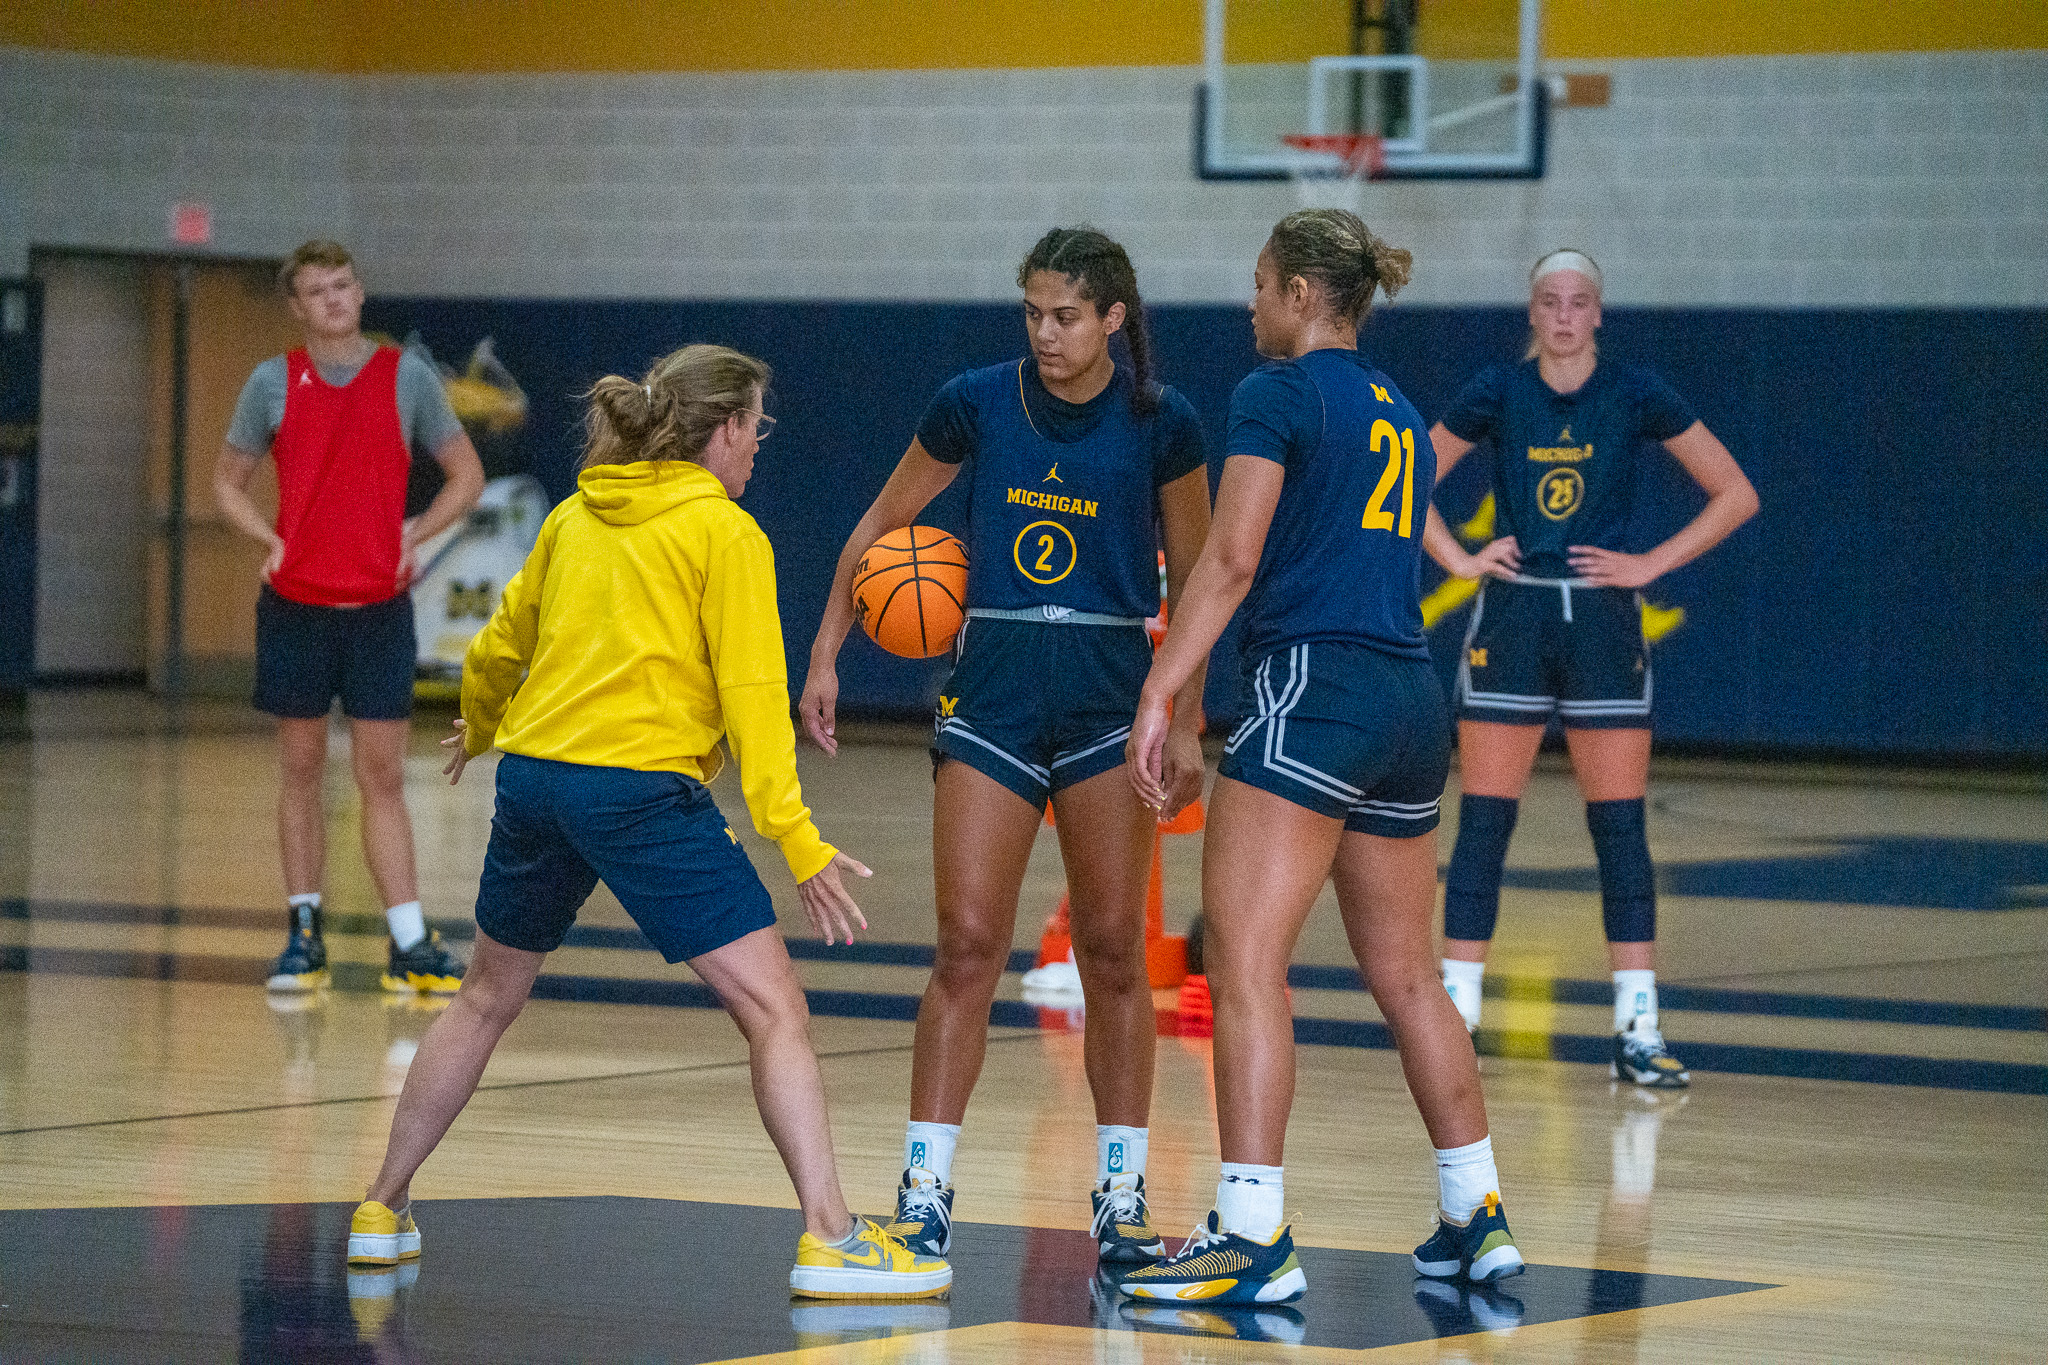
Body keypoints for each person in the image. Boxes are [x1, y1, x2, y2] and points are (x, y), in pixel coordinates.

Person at [344, 344, 949, 1300]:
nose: (761, 444)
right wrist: (797, 841)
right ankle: (832, 1234)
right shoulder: (726, 533)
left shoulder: (582, 511)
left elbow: (507, 636)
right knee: (774, 1007)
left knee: (483, 997)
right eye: (757, 425)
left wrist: (486, 722)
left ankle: (381, 1208)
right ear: (722, 432)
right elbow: (756, 702)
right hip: (636, 790)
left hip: (537, 778)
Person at [1118, 209, 1524, 1306]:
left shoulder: (1276, 393)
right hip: (1406, 702)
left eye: (1258, 285)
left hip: (1315, 688)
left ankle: (1249, 1235)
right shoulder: (1392, 404)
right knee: (1408, 977)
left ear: (1302, 292)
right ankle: (1474, 1215)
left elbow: (1231, 556)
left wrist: (1163, 690)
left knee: (1244, 966)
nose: (1249, 305)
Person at [799, 228, 1212, 1268]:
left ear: (1113, 318)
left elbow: (1206, 583)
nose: (1044, 332)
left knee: (1114, 952)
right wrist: (826, 650)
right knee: (966, 945)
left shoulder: (1163, 423)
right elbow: (879, 521)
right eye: (1030, 312)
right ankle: (925, 1194)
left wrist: (1188, 718)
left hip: (1110, 708)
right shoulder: (973, 400)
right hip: (989, 699)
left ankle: (1121, 1198)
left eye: (1064, 314)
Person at [1423, 249, 1758, 1088]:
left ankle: (1638, 1029)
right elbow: (1401, 475)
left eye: (1579, 302)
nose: (1565, 315)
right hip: (1515, 613)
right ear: (1531, 312)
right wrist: (1459, 559)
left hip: (1605, 623)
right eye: (1550, 301)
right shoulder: (1498, 390)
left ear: (1599, 313)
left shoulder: (1636, 392)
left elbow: (1735, 492)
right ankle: (1455, 1017)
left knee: (1620, 832)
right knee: (1484, 824)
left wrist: (1651, 563)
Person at [214, 239, 485, 995]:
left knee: (383, 775)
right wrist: (267, 538)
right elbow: (227, 482)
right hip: (296, 605)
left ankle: (408, 939)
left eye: (343, 284)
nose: (333, 298)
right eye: (317, 290)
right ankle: (304, 933)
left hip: (378, 609)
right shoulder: (271, 382)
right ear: (297, 305)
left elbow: (467, 475)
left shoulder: (409, 377)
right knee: (300, 770)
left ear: (360, 293)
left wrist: (415, 532)